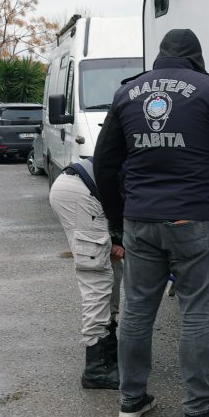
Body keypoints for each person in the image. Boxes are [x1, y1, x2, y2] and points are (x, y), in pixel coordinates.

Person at [94, 28, 209, 417]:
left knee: (136, 311)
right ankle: (199, 410)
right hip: (194, 221)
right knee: (196, 313)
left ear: (160, 56)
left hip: (140, 220)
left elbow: (103, 164)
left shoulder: (127, 93)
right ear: (196, 58)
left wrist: (119, 221)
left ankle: (131, 400)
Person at [47, 157, 125, 389]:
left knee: (112, 269)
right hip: (82, 194)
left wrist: (118, 240)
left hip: (88, 191)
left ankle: (109, 353)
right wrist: (120, 239)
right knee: (97, 278)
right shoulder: (162, 173)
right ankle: (96, 369)